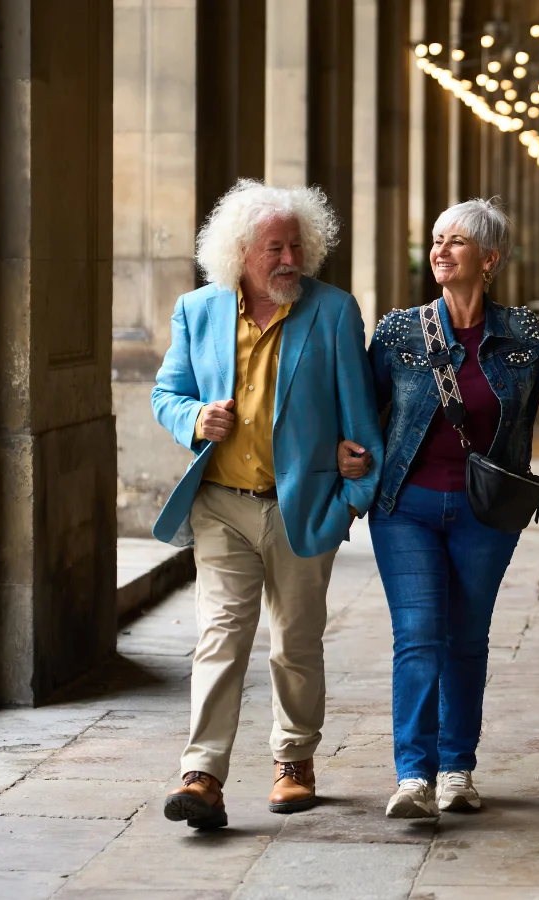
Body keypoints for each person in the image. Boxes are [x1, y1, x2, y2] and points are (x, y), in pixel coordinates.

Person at [151, 179, 383, 829]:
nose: (289, 259)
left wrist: (350, 500)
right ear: (240, 252)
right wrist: (196, 418)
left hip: (301, 506)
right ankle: (202, 774)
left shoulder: (333, 311)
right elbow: (167, 395)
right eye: (274, 248)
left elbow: (361, 420)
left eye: (296, 246)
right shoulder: (197, 311)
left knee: (295, 641)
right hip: (221, 504)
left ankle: (294, 760)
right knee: (220, 637)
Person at [350, 199, 539, 819]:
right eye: (437, 240)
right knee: (419, 636)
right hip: (406, 508)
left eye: (456, 242)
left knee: (467, 640)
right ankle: (413, 777)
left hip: (486, 513)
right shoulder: (399, 332)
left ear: (490, 259)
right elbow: (359, 405)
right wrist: (344, 450)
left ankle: (456, 769)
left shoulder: (525, 335)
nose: (439, 252)